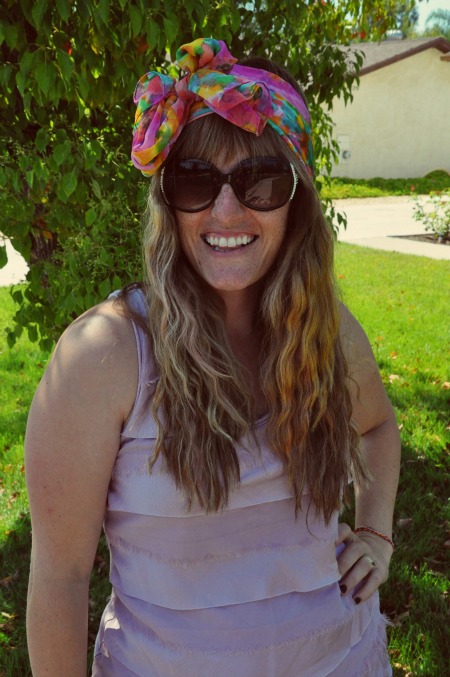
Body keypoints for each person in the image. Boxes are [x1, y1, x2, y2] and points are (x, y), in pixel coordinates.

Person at [25, 37, 400, 676]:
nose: (227, 211)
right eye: (196, 180)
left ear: (297, 200)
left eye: (261, 181)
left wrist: (377, 534)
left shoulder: (327, 333)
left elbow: (378, 427)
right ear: (167, 202)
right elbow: (60, 577)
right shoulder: (105, 357)